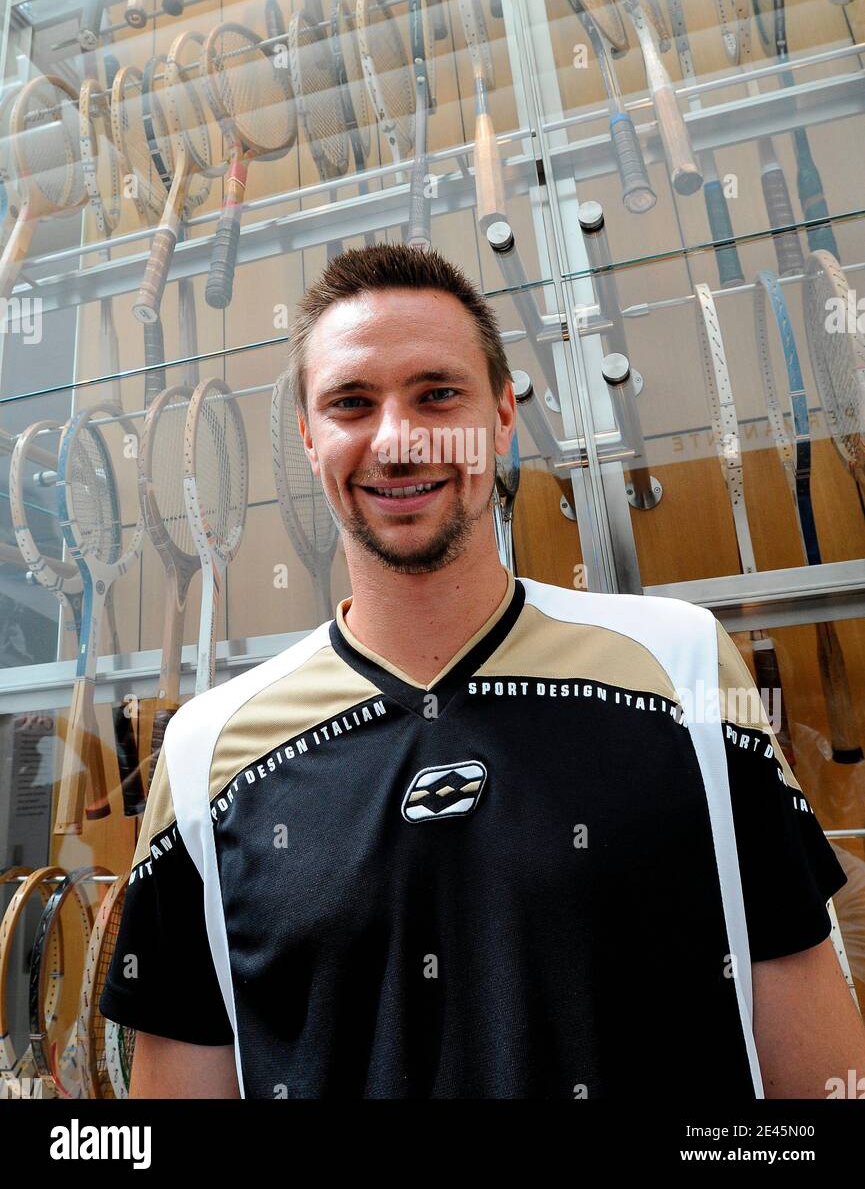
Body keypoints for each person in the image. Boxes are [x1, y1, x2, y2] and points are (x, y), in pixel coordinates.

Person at [100, 244, 865, 1099]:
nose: (396, 440)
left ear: (502, 414)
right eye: (352, 403)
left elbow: (811, 1045)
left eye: (437, 394)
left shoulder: (680, 666)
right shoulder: (207, 751)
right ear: (312, 439)